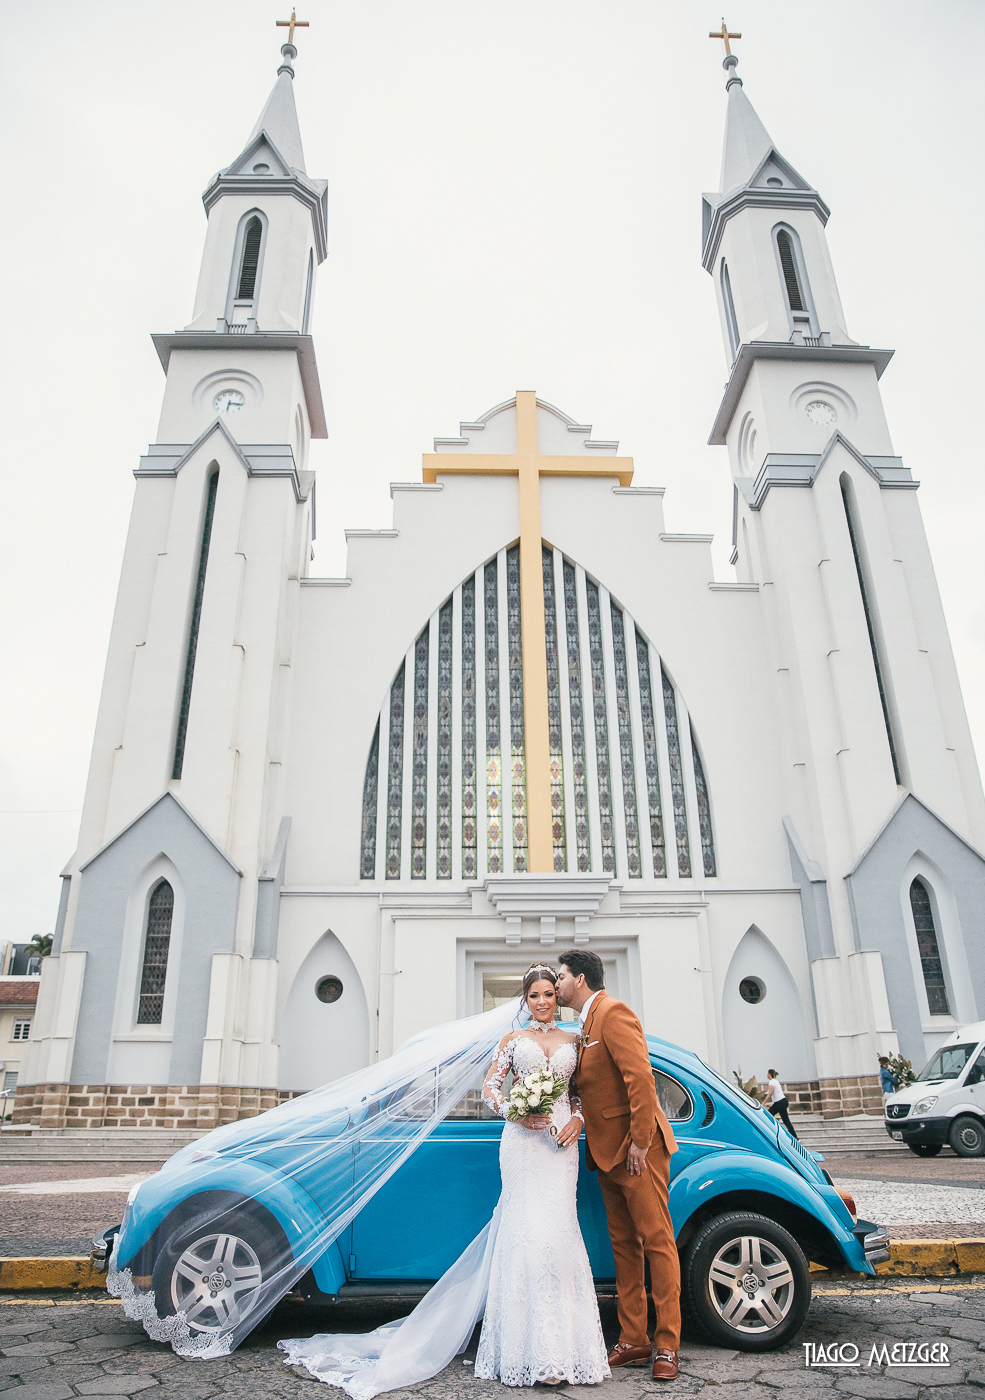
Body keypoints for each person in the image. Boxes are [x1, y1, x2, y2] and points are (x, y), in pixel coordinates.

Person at [279, 965, 610, 1394]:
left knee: (558, 1235)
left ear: (557, 996)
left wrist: (579, 1120)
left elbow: (584, 1092)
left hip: (560, 1146)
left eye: (549, 994)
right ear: (524, 1000)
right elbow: (491, 1088)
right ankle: (523, 1352)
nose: (543, 1002)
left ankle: (563, 1351)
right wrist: (516, 1111)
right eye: (534, 996)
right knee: (525, 1233)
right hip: (522, 1145)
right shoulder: (512, 1041)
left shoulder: (575, 1040)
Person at [554, 950, 681, 1384]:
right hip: (606, 1154)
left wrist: (642, 1143)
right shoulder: (585, 1022)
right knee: (625, 1246)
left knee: (658, 1242)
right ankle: (633, 1339)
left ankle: (667, 1345)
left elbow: (639, 1079)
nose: (557, 983)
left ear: (582, 979)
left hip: (636, 1151)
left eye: (563, 976)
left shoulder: (613, 1012)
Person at [765, 1069, 798, 1139]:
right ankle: (795, 1137)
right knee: (786, 1120)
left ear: (770, 1074)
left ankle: (772, 1133)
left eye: (767, 1074)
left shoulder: (772, 1082)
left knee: (767, 1116)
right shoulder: (775, 1081)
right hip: (782, 1101)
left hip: (780, 1103)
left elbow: (770, 1094)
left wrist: (763, 1103)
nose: (767, 1075)